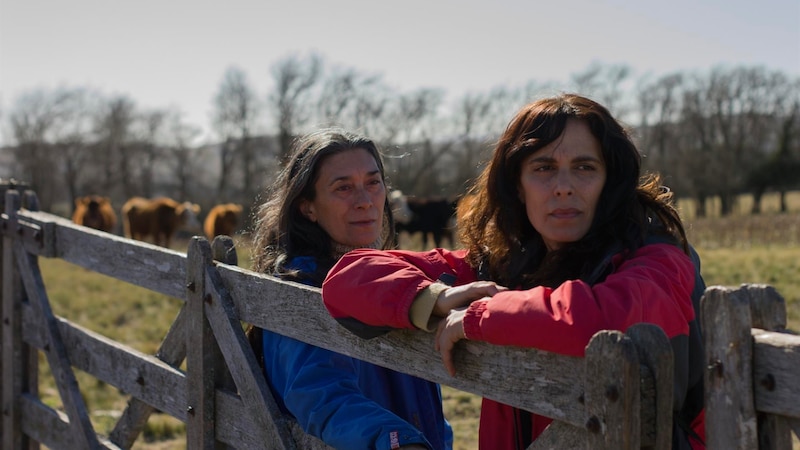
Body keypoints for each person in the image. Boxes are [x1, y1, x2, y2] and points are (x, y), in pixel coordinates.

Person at [321, 94, 706, 450]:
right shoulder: (504, 264)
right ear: (518, 186)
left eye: (584, 168)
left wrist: (483, 316)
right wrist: (434, 297)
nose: (563, 187)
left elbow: (608, 316)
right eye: (543, 168)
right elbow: (348, 278)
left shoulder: (660, 258)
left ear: (610, 182)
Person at [248, 127, 453, 450]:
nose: (365, 201)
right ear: (308, 207)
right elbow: (318, 394)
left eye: (373, 183)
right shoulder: (300, 287)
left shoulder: (396, 277)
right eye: (343, 188)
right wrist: (397, 441)